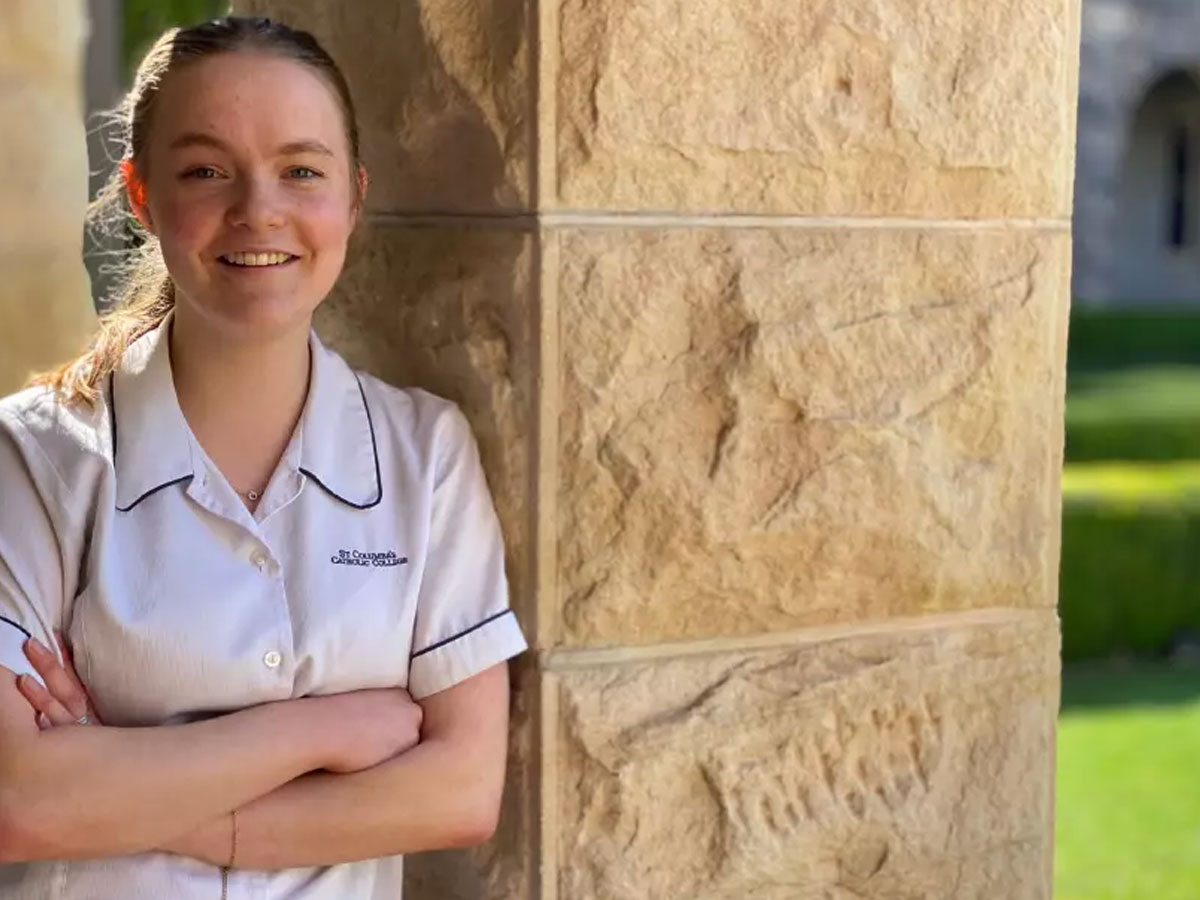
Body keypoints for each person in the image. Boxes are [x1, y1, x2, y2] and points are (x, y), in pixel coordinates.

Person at [0, 15, 526, 899]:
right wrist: (323, 735)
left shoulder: (425, 455)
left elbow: (463, 793)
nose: (258, 210)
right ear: (140, 195)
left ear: (353, 196)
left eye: (301, 171)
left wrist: (121, 784)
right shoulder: (32, 459)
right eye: (206, 171)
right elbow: (18, 801)